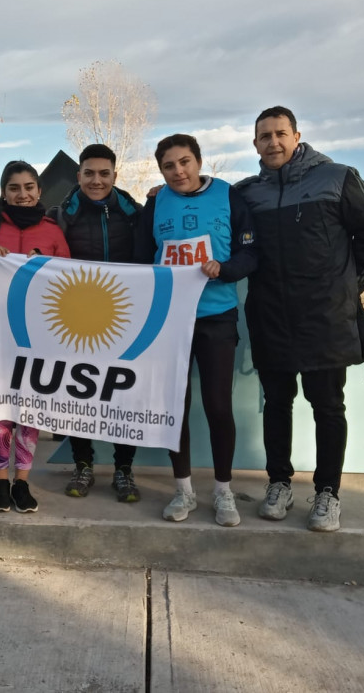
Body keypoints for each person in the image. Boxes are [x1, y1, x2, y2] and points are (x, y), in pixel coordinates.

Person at [234, 106, 364, 532]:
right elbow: (211, 210)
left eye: (280, 133)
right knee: (276, 404)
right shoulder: (247, 193)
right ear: (255, 144)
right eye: (264, 136)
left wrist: (347, 286)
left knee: (328, 406)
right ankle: (279, 483)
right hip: (269, 316)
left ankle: (327, 493)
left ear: (297, 136)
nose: (273, 142)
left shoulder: (338, 177)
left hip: (325, 316)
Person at [136, 134, 257, 526]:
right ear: (160, 170)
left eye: (185, 162)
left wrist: (226, 269)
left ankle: (223, 492)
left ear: (199, 161)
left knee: (218, 406)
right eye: (169, 166)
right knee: (175, 408)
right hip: (170, 320)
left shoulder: (228, 195)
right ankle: (183, 490)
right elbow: (140, 259)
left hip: (217, 317)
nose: (178, 171)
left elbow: (250, 252)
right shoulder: (155, 202)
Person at [0, 161, 70, 513]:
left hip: (40, 337)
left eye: (29, 187)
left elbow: (69, 285)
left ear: (39, 191)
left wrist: (43, 267)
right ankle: (0, 483)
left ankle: (22, 481)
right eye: (14, 188)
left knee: (31, 409)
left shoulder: (52, 231)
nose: (22, 195)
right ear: (4, 192)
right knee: (1, 408)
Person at [47, 144, 143, 502]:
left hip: (124, 321)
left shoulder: (137, 214)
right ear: (79, 176)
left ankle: (124, 470)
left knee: (124, 397)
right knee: (81, 396)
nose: (96, 180)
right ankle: (83, 465)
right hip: (77, 323)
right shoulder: (60, 215)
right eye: (89, 173)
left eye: (104, 174)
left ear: (115, 176)